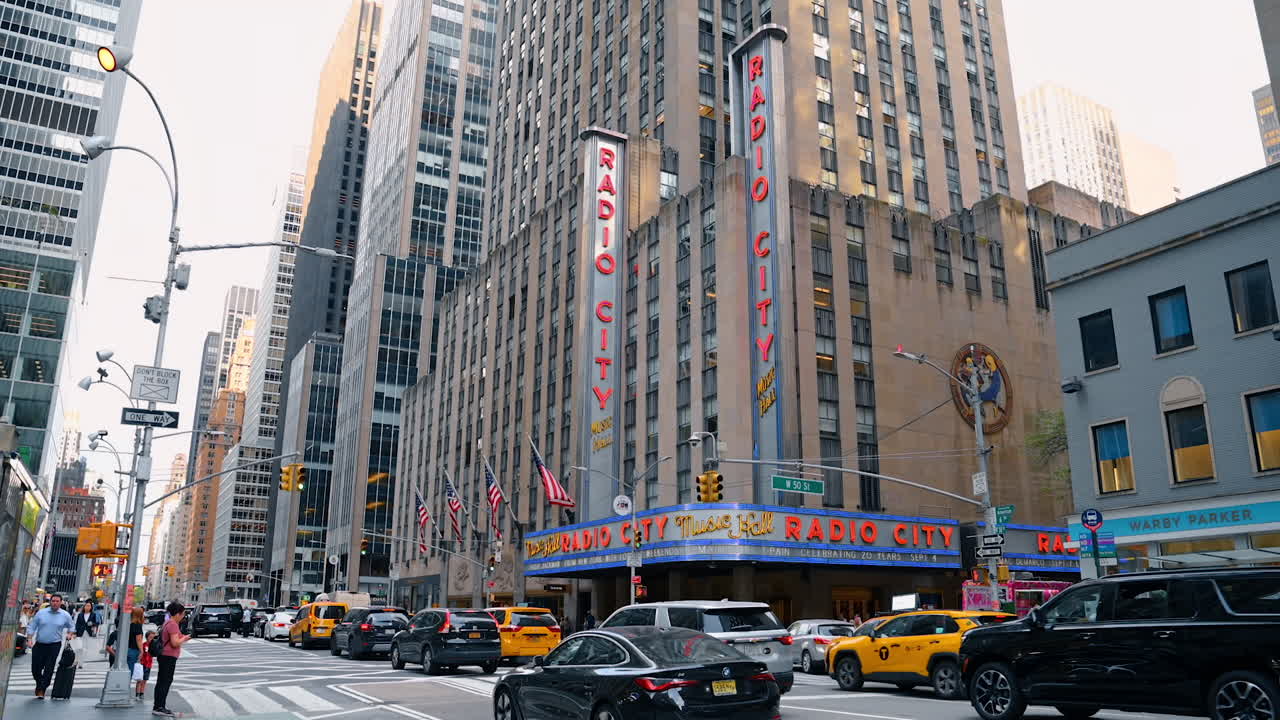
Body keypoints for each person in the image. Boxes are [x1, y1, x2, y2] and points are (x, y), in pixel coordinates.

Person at [26, 593, 75, 699]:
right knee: (35, 668)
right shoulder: (41, 613)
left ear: (61, 603)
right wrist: (29, 639)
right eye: (53, 601)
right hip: (39, 644)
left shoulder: (65, 615)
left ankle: (42, 689)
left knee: (49, 668)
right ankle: (39, 684)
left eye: (57, 601)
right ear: (50, 602)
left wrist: (69, 634)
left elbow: (72, 627)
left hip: (54, 645)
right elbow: (32, 626)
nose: (55, 603)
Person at [153, 601, 191, 717]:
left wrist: (182, 637)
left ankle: (158, 705)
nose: (183, 616)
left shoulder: (167, 622)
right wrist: (185, 638)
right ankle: (160, 707)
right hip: (168, 656)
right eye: (183, 614)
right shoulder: (173, 624)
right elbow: (174, 643)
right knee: (165, 681)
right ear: (178, 614)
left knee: (161, 681)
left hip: (164, 656)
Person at [136, 630, 157, 701]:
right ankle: (137, 694)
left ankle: (142, 693)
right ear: (147, 637)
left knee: (145, 680)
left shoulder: (154, 645)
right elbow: (140, 654)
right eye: (150, 637)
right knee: (140, 680)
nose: (152, 639)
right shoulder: (143, 645)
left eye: (153, 638)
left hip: (148, 664)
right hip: (142, 664)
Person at [127, 607, 146, 677]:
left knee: (127, 671)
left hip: (127, 649)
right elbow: (138, 640)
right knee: (130, 672)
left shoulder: (130, 625)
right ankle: (125, 686)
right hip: (133, 650)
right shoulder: (138, 625)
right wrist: (141, 651)